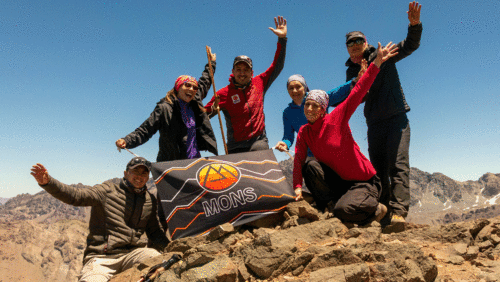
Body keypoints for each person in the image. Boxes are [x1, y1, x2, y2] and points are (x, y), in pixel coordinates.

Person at [293, 42, 398, 225]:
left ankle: (376, 210)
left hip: (364, 181)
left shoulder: (337, 118)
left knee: (344, 211)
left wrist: (377, 63)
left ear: (323, 109)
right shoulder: (305, 131)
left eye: (314, 105)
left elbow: (358, 92)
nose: (309, 108)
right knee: (310, 166)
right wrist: (297, 187)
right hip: (341, 182)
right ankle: (330, 205)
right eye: (307, 104)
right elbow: (298, 159)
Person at [344, 1, 422, 226]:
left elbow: (409, 46)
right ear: (348, 50)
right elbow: (356, 99)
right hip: (375, 124)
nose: (355, 46)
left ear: (365, 42)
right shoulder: (351, 70)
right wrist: (360, 80)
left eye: (359, 41)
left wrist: (414, 25)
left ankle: (398, 213)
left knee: (398, 164)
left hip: (397, 119)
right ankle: (384, 212)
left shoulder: (383, 54)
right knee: (378, 171)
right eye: (351, 44)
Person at [30, 157, 169, 282]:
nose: (139, 176)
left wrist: (171, 248)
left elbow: (154, 231)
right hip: (102, 258)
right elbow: (76, 195)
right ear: (126, 174)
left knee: (161, 262)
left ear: (148, 176)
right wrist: (49, 183)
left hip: (134, 254)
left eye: (144, 173)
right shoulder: (107, 191)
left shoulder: (149, 199)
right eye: (135, 172)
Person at [116, 48, 218, 162]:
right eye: (187, 85)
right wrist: (127, 140)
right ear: (178, 87)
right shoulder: (164, 108)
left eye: (194, 87)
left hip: (194, 161)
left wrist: (211, 63)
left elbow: (205, 81)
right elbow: (145, 129)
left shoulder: (195, 102)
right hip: (171, 163)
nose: (192, 89)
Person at [204, 16, 287, 154]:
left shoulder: (259, 82)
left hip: (258, 141)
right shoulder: (223, 94)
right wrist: (212, 109)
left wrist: (282, 40)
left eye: (246, 70)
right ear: (233, 71)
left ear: (252, 72)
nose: (242, 73)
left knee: (258, 152)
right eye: (239, 69)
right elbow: (204, 115)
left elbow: (277, 66)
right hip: (234, 146)